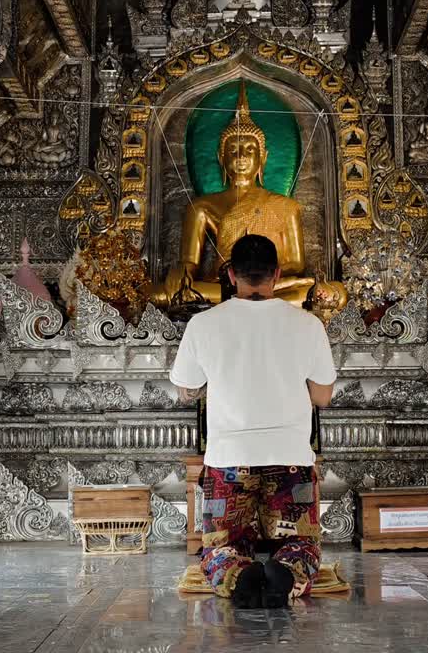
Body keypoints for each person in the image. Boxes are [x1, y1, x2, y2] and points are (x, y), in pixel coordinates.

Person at [169, 234, 336, 609]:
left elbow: (186, 388)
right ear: (277, 274)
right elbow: (323, 396)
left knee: (219, 546)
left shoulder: (203, 323)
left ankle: (237, 575)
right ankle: (288, 572)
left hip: (227, 461)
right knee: (301, 544)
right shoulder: (308, 324)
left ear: (230, 275)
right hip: (291, 459)